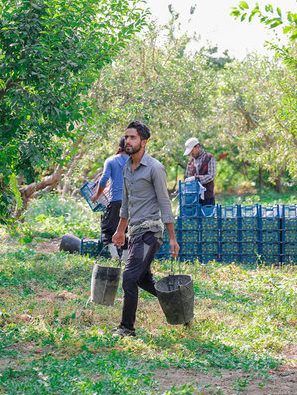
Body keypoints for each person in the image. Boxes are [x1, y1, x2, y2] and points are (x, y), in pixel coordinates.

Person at [112, 121, 180, 337]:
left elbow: (165, 203)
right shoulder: (126, 168)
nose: (128, 141)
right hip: (134, 233)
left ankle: (126, 328)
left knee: (129, 278)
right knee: (142, 279)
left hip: (150, 234)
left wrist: (172, 238)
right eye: (126, 137)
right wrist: (120, 230)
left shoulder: (155, 168)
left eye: (132, 137)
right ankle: (180, 307)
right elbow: (125, 204)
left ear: (144, 141)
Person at [91, 137, 129, 260]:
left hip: (115, 200)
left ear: (119, 147)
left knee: (107, 227)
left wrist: (97, 195)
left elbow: (103, 179)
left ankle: (114, 255)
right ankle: (125, 257)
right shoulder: (134, 161)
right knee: (128, 229)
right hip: (133, 201)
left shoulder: (111, 160)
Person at [183, 137, 217, 206]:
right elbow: (188, 177)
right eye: (189, 152)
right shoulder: (190, 162)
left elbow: (211, 176)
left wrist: (196, 179)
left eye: (192, 151)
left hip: (207, 198)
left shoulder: (209, 158)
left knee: (207, 216)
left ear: (198, 147)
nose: (191, 153)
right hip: (194, 199)